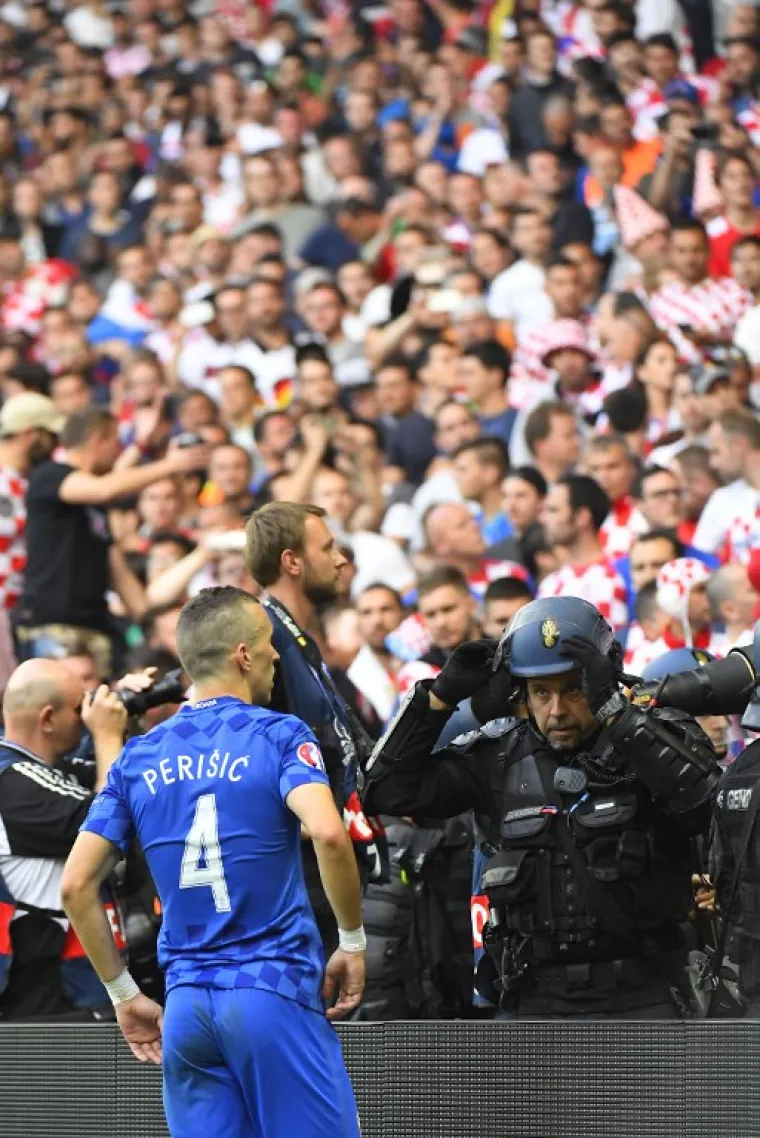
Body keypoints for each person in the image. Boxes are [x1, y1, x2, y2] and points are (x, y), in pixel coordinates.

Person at [61, 587, 363, 1136]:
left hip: (187, 1010)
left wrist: (124, 995)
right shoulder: (278, 734)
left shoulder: (138, 756)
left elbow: (76, 885)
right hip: (272, 992)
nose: (276, 657)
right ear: (244, 655)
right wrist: (353, 941)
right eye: (269, 644)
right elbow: (328, 833)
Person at [362, 596, 719, 1018]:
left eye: (574, 689)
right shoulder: (496, 758)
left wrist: (617, 715)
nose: (557, 711)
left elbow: (707, 804)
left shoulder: (651, 738)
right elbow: (383, 791)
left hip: (645, 993)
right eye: (541, 692)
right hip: (533, 999)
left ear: (603, 679)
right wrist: (439, 699)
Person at [244, 502, 385, 955]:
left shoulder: (298, 639)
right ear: (293, 562)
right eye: (327, 548)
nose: (341, 559)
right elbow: (239, 753)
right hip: (297, 888)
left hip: (325, 873)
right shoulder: (266, 640)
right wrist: (311, 822)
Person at [0, 659, 131, 1019]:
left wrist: (128, 709)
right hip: (48, 1008)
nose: (86, 717)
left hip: (73, 992)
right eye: (79, 708)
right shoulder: (13, 783)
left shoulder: (45, 769)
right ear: (46, 719)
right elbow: (107, 820)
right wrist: (105, 736)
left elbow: (126, 777)